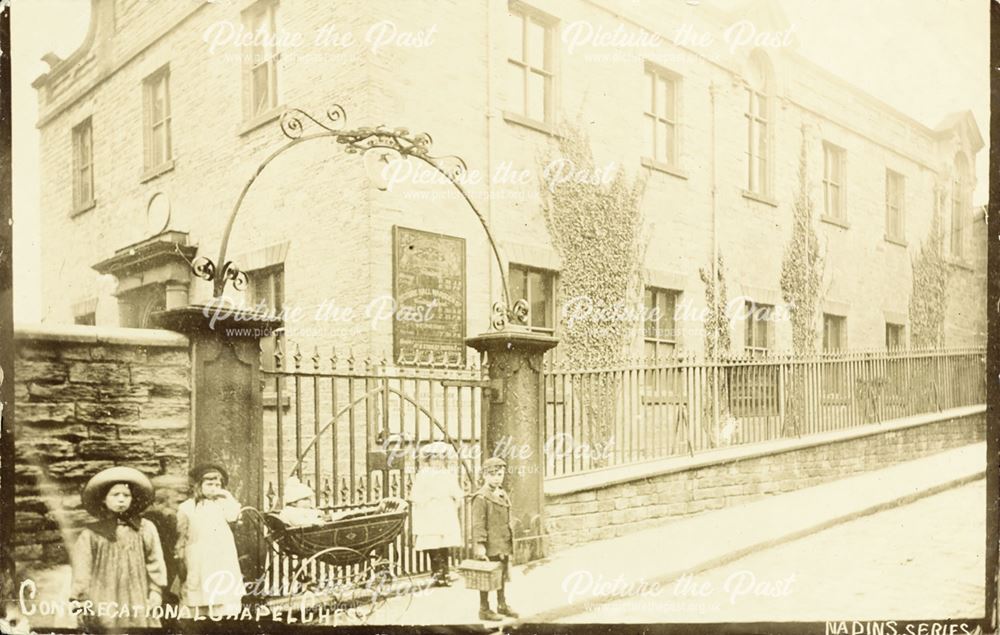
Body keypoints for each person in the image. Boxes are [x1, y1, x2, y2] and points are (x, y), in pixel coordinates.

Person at [70, 466, 167, 631]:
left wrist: (156, 591)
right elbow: (82, 570)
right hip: (104, 597)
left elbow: (155, 560)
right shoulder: (91, 534)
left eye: (126, 495)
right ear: (104, 499)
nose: (121, 499)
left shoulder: (145, 528)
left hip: (137, 595)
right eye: (115, 495)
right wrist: (81, 599)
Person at [175, 463, 244, 617]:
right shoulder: (187, 507)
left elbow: (233, 516)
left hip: (221, 553)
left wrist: (228, 497)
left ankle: (221, 618)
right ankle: (198, 615)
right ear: (199, 485)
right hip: (197, 553)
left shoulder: (223, 505)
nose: (214, 488)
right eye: (209, 484)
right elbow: (181, 532)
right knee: (197, 582)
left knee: (220, 583)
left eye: (217, 485)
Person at [470, 456, 518, 621]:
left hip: (502, 542)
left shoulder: (502, 494)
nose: (498, 477)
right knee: (486, 576)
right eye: (494, 474)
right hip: (490, 544)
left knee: (501, 574)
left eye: (500, 474)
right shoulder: (481, 497)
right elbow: (478, 524)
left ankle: (502, 604)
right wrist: (480, 545)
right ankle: (484, 609)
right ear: (485, 475)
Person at [411, 441, 464, 587]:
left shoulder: (447, 474)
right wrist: (425, 501)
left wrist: (457, 500)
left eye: (441, 458)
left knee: (444, 542)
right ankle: (437, 573)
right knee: (431, 541)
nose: (438, 462)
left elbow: (456, 491)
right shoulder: (423, 475)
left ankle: (445, 572)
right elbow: (416, 495)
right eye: (435, 458)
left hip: (445, 510)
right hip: (430, 511)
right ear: (428, 460)